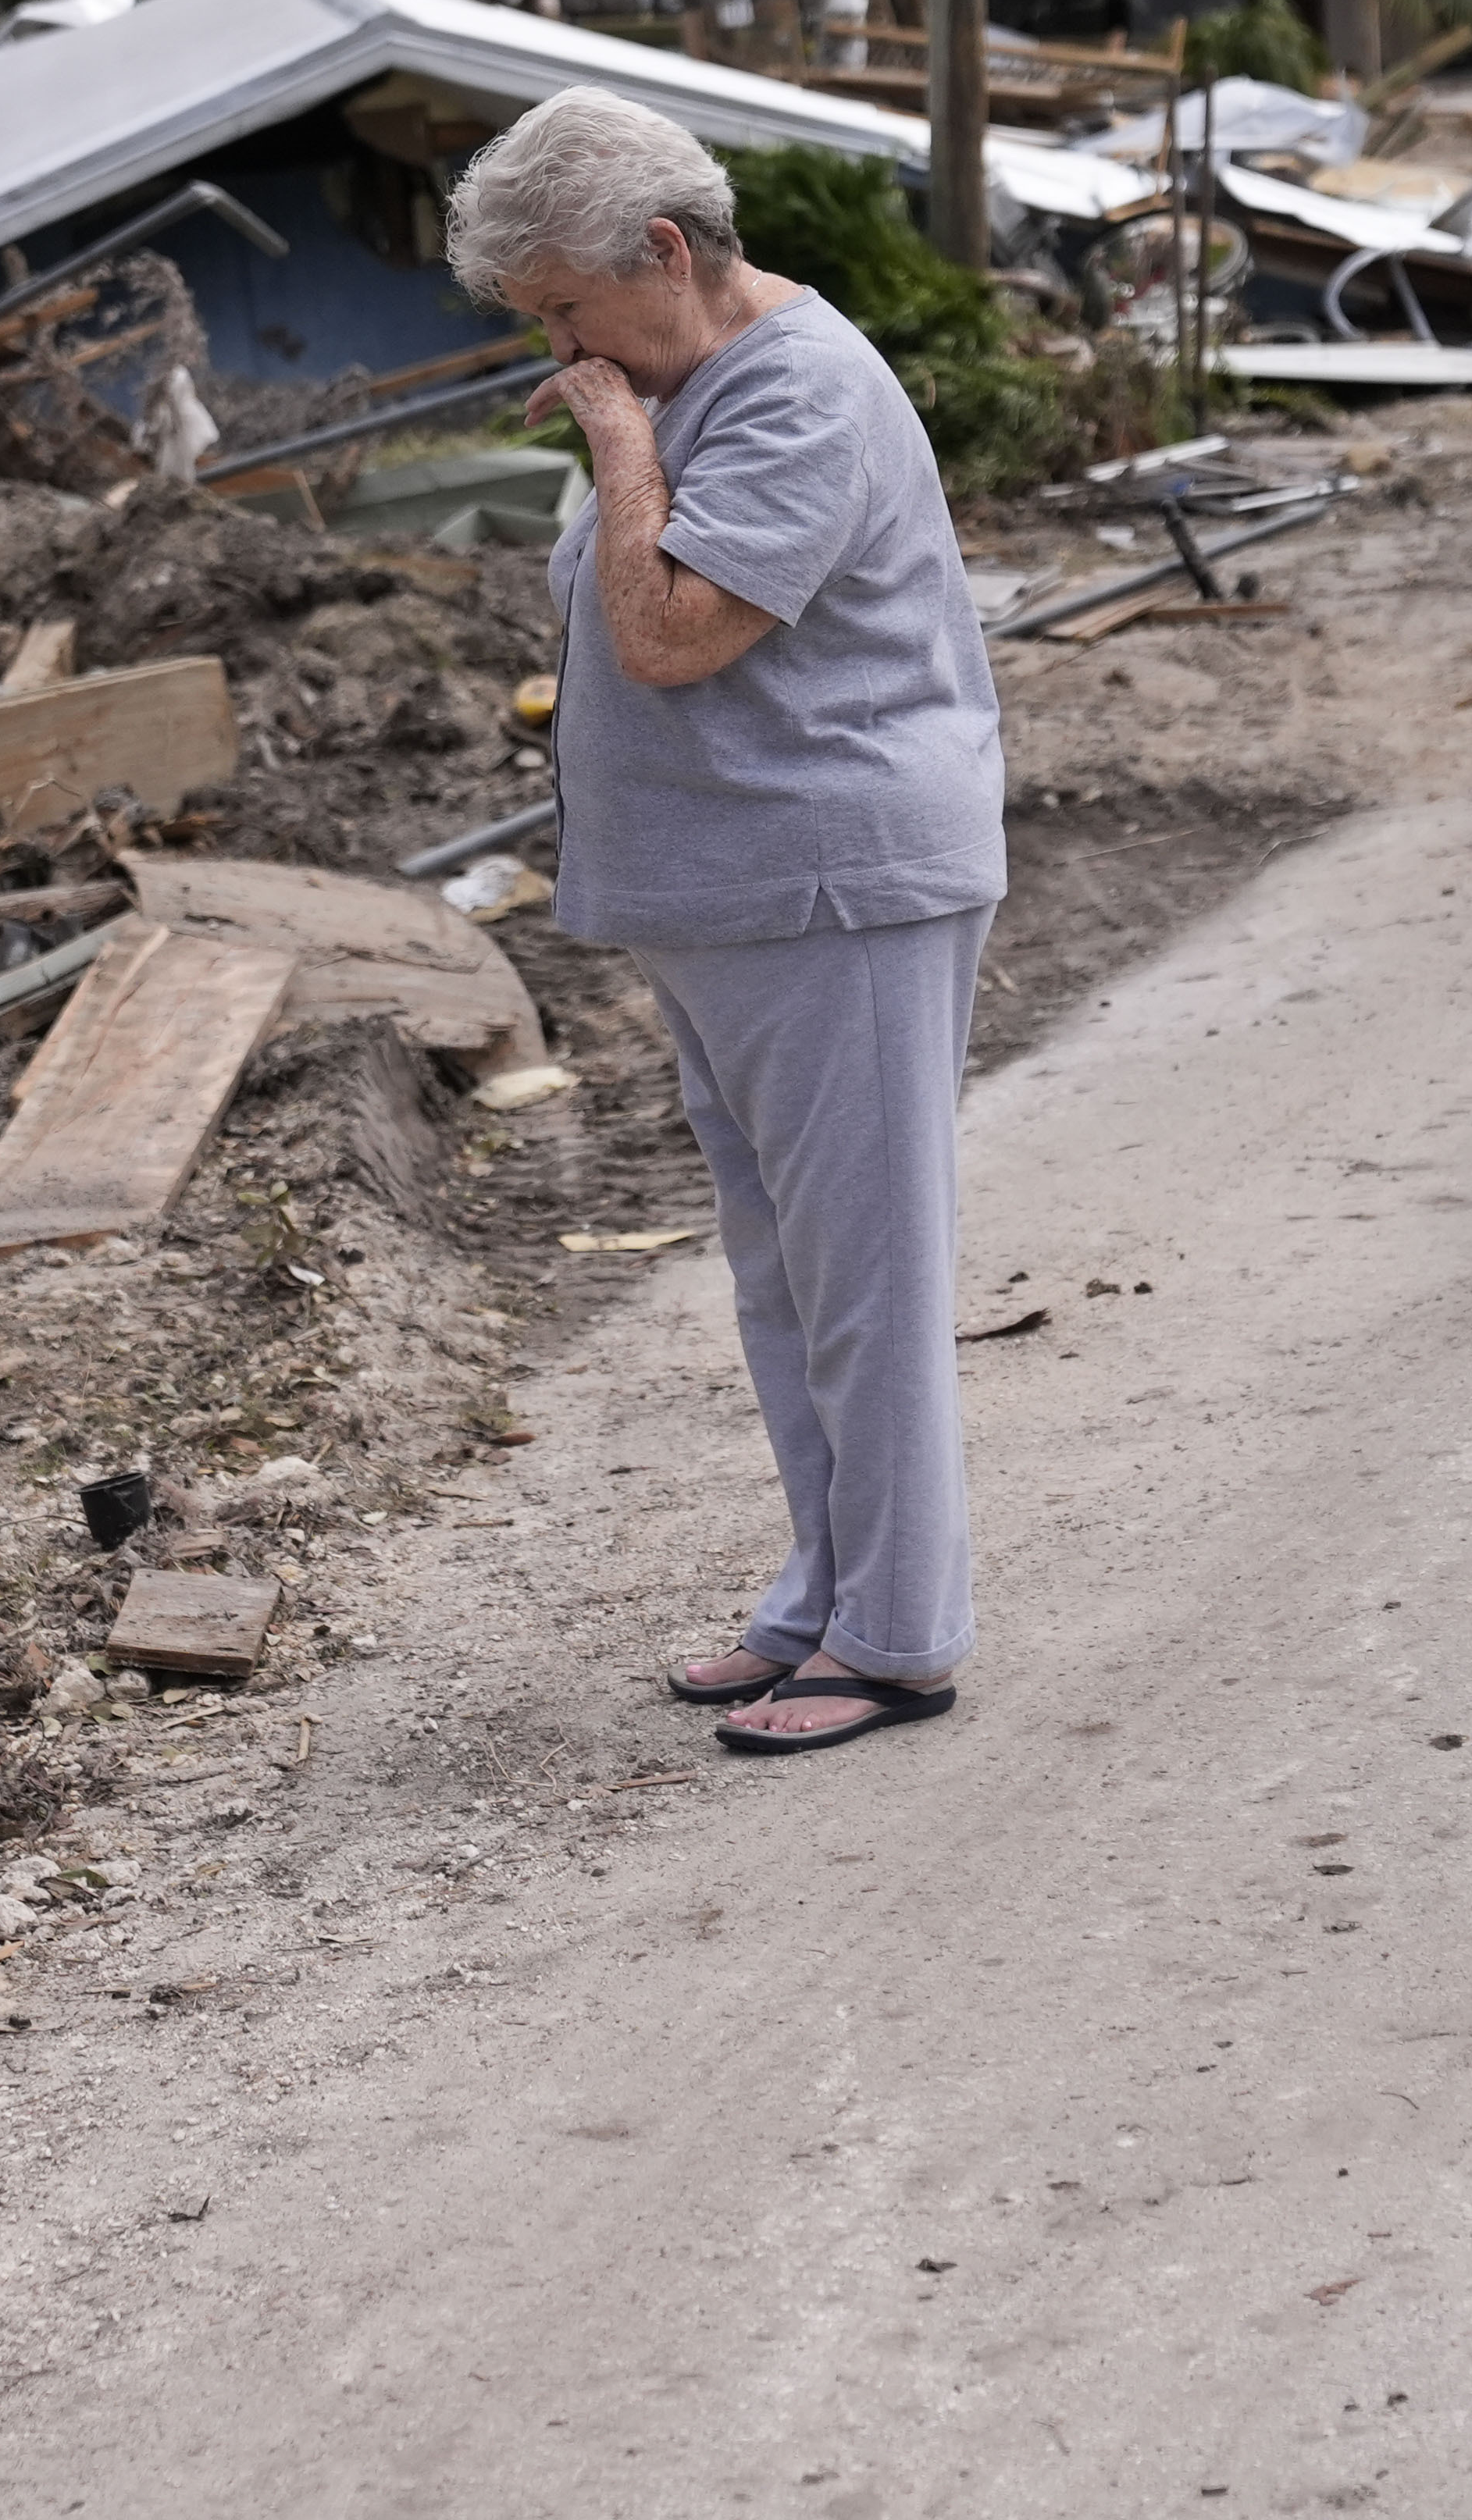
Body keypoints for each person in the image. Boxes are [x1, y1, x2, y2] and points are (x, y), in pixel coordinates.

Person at [439, 90, 1006, 1754]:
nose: (555, 345)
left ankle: (901, 1631)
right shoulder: (687, 377)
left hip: (834, 887)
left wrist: (618, 448)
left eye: (564, 305)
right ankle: (825, 1590)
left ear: (666, 254)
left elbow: (677, 629)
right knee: (787, 1272)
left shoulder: (796, 389)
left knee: (866, 1271)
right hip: (734, 898)